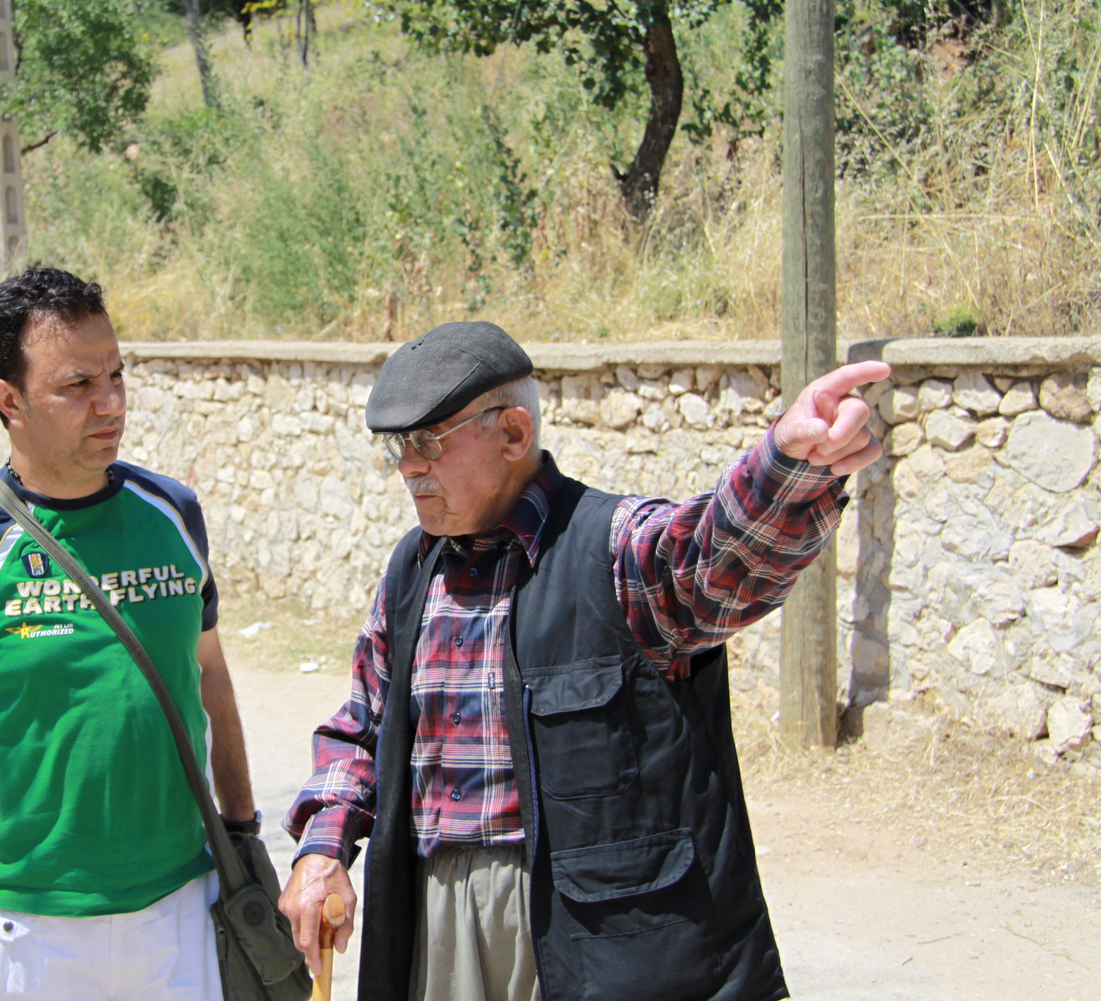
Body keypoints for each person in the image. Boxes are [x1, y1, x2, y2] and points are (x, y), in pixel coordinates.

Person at [279, 321, 890, 1001]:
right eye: (398, 447)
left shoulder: (611, 548)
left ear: (513, 433)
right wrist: (322, 849)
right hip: (437, 919)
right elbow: (362, 725)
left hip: (590, 934)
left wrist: (788, 468)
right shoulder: (412, 571)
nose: (408, 467)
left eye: (427, 442)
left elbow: (715, 558)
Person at [0, 268, 258, 1001]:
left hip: (182, 911)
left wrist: (244, 833)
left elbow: (208, 678)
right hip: (24, 934)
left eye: (116, 375)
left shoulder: (173, 512)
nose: (110, 404)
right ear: (7, 399)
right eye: (77, 386)